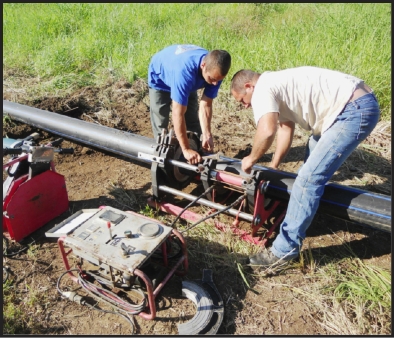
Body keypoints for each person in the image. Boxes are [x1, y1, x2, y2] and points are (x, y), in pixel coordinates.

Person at [230, 66, 380, 266]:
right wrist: (274, 165)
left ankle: (284, 251)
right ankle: (298, 211)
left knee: (307, 180)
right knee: (307, 173)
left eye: (242, 100)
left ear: (249, 87)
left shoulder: (263, 88)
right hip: (347, 106)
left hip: (351, 110)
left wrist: (251, 158)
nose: (245, 106)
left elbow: (267, 130)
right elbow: (285, 128)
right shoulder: (274, 83)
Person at [148, 44, 231, 165]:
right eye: (212, 79)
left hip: (188, 78)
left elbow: (206, 104)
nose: (215, 84)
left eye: (218, 80)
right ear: (203, 66)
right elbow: (178, 114)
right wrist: (185, 149)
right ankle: (163, 159)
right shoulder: (185, 73)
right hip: (160, 78)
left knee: (192, 119)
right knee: (161, 124)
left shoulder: (216, 71)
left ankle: (196, 153)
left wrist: (207, 134)